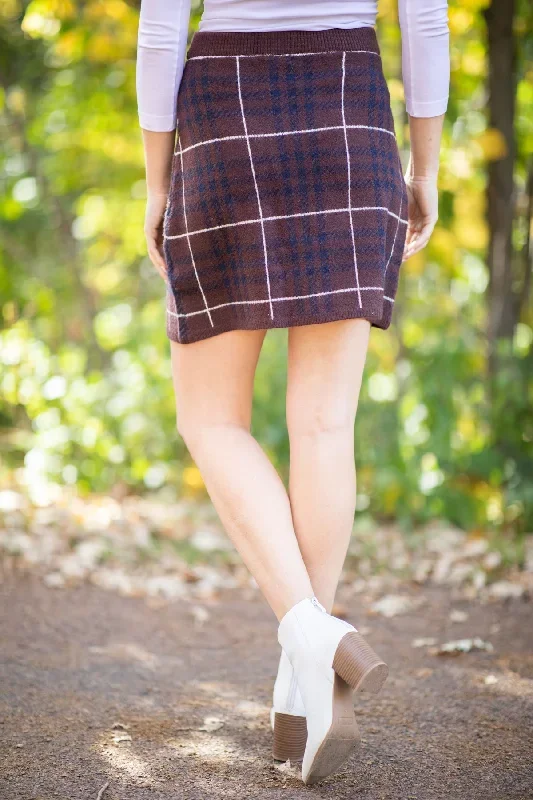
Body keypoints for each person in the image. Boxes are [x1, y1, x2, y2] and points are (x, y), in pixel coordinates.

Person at [136, 0, 449, 784]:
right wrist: (425, 168)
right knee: (321, 424)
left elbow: (160, 27)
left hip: (222, 122)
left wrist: (155, 181)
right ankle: (309, 655)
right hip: (349, 110)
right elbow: (427, 20)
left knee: (209, 419)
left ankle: (306, 640)